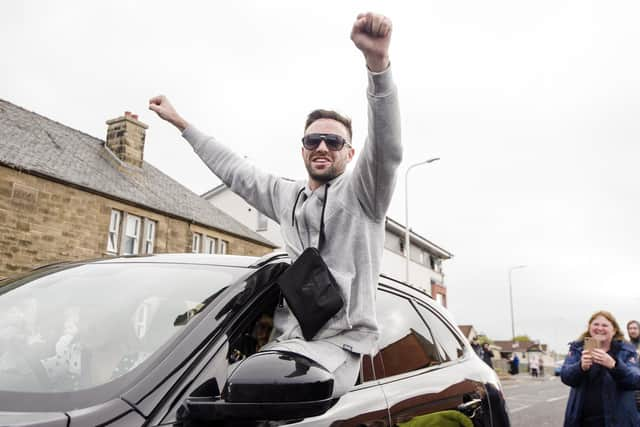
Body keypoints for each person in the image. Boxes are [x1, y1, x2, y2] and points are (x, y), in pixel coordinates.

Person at [149, 12, 402, 398]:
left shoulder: (364, 194)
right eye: (313, 140)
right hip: (284, 343)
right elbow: (236, 170)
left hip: (338, 349)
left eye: (333, 142)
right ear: (302, 148)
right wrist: (183, 124)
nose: (322, 147)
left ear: (350, 152)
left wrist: (378, 66)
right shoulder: (288, 197)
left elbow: (387, 148)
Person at [561, 310, 640, 427]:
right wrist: (580, 367)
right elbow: (566, 377)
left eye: (605, 325)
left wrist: (614, 365)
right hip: (582, 420)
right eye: (596, 324)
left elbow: (635, 380)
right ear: (589, 327)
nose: (600, 328)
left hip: (618, 420)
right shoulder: (578, 348)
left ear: (614, 330)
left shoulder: (626, 351)